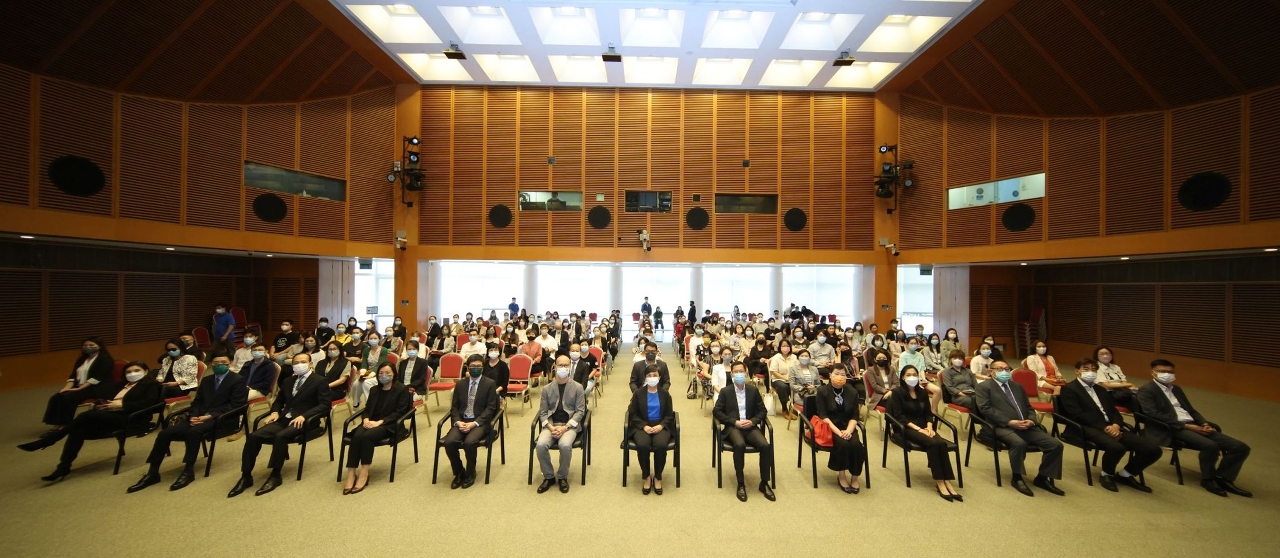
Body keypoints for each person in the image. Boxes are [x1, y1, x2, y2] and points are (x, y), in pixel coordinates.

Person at [20, 360, 162, 481]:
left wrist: (122, 405)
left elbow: (149, 404)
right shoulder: (120, 385)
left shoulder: (151, 385)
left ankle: (50, 439)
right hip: (108, 416)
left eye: (136, 370)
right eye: (128, 372)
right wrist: (102, 404)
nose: (132, 374)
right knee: (77, 430)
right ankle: (63, 467)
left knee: (84, 416)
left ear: (145, 371)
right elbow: (104, 397)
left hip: (131, 418)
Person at [129, 353, 247, 493]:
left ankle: (188, 470)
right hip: (198, 416)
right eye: (216, 363)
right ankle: (152, 472)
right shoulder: (207, 380)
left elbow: (236, 405)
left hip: (222, 418)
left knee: (193, 432)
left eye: (223, 362)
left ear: (230, 363)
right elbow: (197, 401)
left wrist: (208, 416)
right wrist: (194, 415)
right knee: (165, 434)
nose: (219, 365)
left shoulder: (238, 380)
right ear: (211, 364)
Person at [1135, 359, 1252, 497]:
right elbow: (1153, 415)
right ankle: (1208, 479)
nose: (1167, 374)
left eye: (1170, 372)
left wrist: (1204, 424)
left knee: (1240, 447)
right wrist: (1188, 427)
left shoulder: (1176, 389)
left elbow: (1191, 410)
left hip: (1193, 424)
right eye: (1162, 371)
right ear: (1153, 372)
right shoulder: (1146, 390)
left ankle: (1223, 478)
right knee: (1210, 446)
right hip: (1172, 428)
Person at [228, 353, 330, 498]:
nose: (299, 365)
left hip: (306, 421)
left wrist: (304, 416)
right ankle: (246, 476)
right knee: (254, 436)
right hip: (284, 419)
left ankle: (275, 475)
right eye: (296, 363)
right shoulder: (288, 381)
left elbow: (325, 405)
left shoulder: (320, 381)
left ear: (310, 364)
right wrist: (275, 412)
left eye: (303, 362)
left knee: (280, 437)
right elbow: (279, 401)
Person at [1058, 358, 1160, 493]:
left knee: (1153, 449)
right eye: (1086, 369)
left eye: (1094, 370)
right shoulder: (1069, 389)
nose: (1090, 372)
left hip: (1113, 427)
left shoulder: (1101, 390)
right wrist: (1105, 427)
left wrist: (1116, 424)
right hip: (1085, 427)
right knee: (1117, 447)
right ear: (1077, 371)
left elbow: (1113, 411)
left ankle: (1125, 474)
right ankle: (1107, 474)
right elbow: (1076, 414)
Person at [974, 360, 1064, 497]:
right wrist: (1009, 422)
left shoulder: (1017, 386)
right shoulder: (984, 387)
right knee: (1019, 443)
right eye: (999, 369)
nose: (1004, 372)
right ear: (991, 372)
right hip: (999, 426)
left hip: (1025, 425)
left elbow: (1028, 407)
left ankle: (1042, 478)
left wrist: (1031, 421)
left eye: (1006, 369)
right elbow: (985, 409)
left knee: (1055, 445)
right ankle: (1017, 477)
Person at [886, 365, 961, 501]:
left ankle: (948, 481)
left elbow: (928, 413)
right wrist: (919, 429)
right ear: (902, 377)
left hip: (924, 426)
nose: (912, 377)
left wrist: (929, 427)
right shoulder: (897, 393)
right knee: (933, 443)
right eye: (908, 375)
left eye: (914, 374)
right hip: (906, 427)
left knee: (941, 443)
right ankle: (939, 481)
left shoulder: (922, 392)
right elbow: (899, 416)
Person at [341, 362, 411, 495]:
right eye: (381, 373)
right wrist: (366, 419)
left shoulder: (402, 389)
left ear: (394, 374)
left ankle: (364, 473)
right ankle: (351, 473)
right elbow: (367, 409)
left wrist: (379, 422)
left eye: (387, 373)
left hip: (389, 424)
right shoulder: (374, 390)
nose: (384, 376)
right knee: (357, 436)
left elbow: (400, 412)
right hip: (370, 422)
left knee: (367, 437)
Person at [712, 362, 775, 502]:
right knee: (739, 445)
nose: (739, 374)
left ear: (746, 373)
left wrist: (752, 421)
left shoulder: (753, 390)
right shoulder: (725, 391)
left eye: (741, 371)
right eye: (736, 372)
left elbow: (762, 411)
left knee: (765, 446)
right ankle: (740, 483)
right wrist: (734, 421)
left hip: (750, 426)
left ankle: (764, 483)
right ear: (731, 375)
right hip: (733, 427)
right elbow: (717, 411)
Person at [441, 355, 501, 489]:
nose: (476, 369)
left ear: (483, 368)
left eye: (479, 366)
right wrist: (457, 421)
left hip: (480, 423)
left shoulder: (489, 384)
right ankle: (459, 473)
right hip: (462, 421)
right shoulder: (460, 384)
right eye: (473, 366)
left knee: (469, 442)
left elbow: (491, 408)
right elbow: (454, 407)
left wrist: (475, 423)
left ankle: (470, 473)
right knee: (449, 442)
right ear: (467, 368)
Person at [37, 337, 115, 433]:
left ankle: (64, 424)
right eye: (85, 345)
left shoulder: (105, 359)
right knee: (57, 397)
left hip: (98, 387)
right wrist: (66, 388)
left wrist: (78, 389)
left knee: (69, 398)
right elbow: (73, 376)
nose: (88, 347)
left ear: (99, 346)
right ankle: (56, 423)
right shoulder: (81, 359)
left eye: (91, 345)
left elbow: (96, 378)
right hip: (81, 386)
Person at [535, 355, 587, 494]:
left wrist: (565, 427)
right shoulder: (547, 388)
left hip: (569, 426)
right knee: (540, 445)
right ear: (555, 367)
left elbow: (580, 412)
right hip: (551, 425)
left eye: (566, 365)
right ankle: (549, 476)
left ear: (570, 367)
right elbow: (543, 413)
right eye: (560, 365)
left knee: (565, 445)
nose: (563, 368)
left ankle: (562, 476)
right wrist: (551, 427)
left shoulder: (578, 387)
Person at [815, 364, 865, 494]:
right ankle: (841, 475)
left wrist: (848, 431)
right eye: (836, 374)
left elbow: (854, 415)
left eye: (843, 375)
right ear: (830, 375)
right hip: (830, 427)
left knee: (857, 446)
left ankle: (855, 477)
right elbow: (823, 416)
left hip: (848, 426)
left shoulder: (852, 391)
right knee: (843, 444)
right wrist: (839, 432)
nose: (840, 377)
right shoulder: (822, 391)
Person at [628, 364, 674, 495]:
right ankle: (647, 476)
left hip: (661, 426)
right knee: (642, 445)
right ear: (645, 378)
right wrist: (644, 426)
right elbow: (632, 414)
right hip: (642, 426)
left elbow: (669, 415)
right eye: (649, 375)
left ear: (659, 377)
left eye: (655, 375)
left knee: (661, 445)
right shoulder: (638, 394)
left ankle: (658, 477)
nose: (652, 377)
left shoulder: (665, 394)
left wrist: (661, 425)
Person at [351, 331, 391, 408]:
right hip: (368, 374)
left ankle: (370, 406)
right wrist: (362, 374)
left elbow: (380, 365)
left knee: (366, 383)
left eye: (375, 338)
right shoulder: (366, 350)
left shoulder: (384, 350)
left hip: (380, 374)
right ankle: (356, 404)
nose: (373, 340)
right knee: (356, 383)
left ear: (379, 339)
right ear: (368, 340)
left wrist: (370, 376)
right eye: (371, 338)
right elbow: (364, 365)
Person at [768, 339, 798, 418]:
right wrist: (784, 378)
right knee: (783, 387)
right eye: (783, 346)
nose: (785, 348)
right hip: (777, 379)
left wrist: (792, 378)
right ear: (780, 347)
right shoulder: (776, 357)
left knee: (796, 386)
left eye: (787, 346)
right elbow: (773, 371)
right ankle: (784, 408)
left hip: (791, 379)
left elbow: (798, 369)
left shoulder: (794, 357)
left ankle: (792, 406)